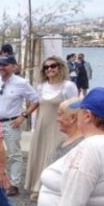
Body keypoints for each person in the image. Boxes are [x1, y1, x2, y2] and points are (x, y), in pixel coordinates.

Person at [0, 55, 39, 196]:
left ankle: (14, 184)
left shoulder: (22, 83)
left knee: (14, 154)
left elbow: (36, 100)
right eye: (0, 65)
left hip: (11, 122)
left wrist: (24, 116)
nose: (2, 68)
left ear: (14, 67)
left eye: (5, 65)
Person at [24, 56, 78, 198]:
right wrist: (24, 115)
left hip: (60, 126)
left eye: (53, 66)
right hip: (42, 125)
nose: (49, 69)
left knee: (54, 156)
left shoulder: (68, 86)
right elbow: (36, 104)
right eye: (46, 67)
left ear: (60, 67)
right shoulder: (41, 86)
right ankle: (37, 187)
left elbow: (75, 108)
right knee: (40, 153)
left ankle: (51, 187)